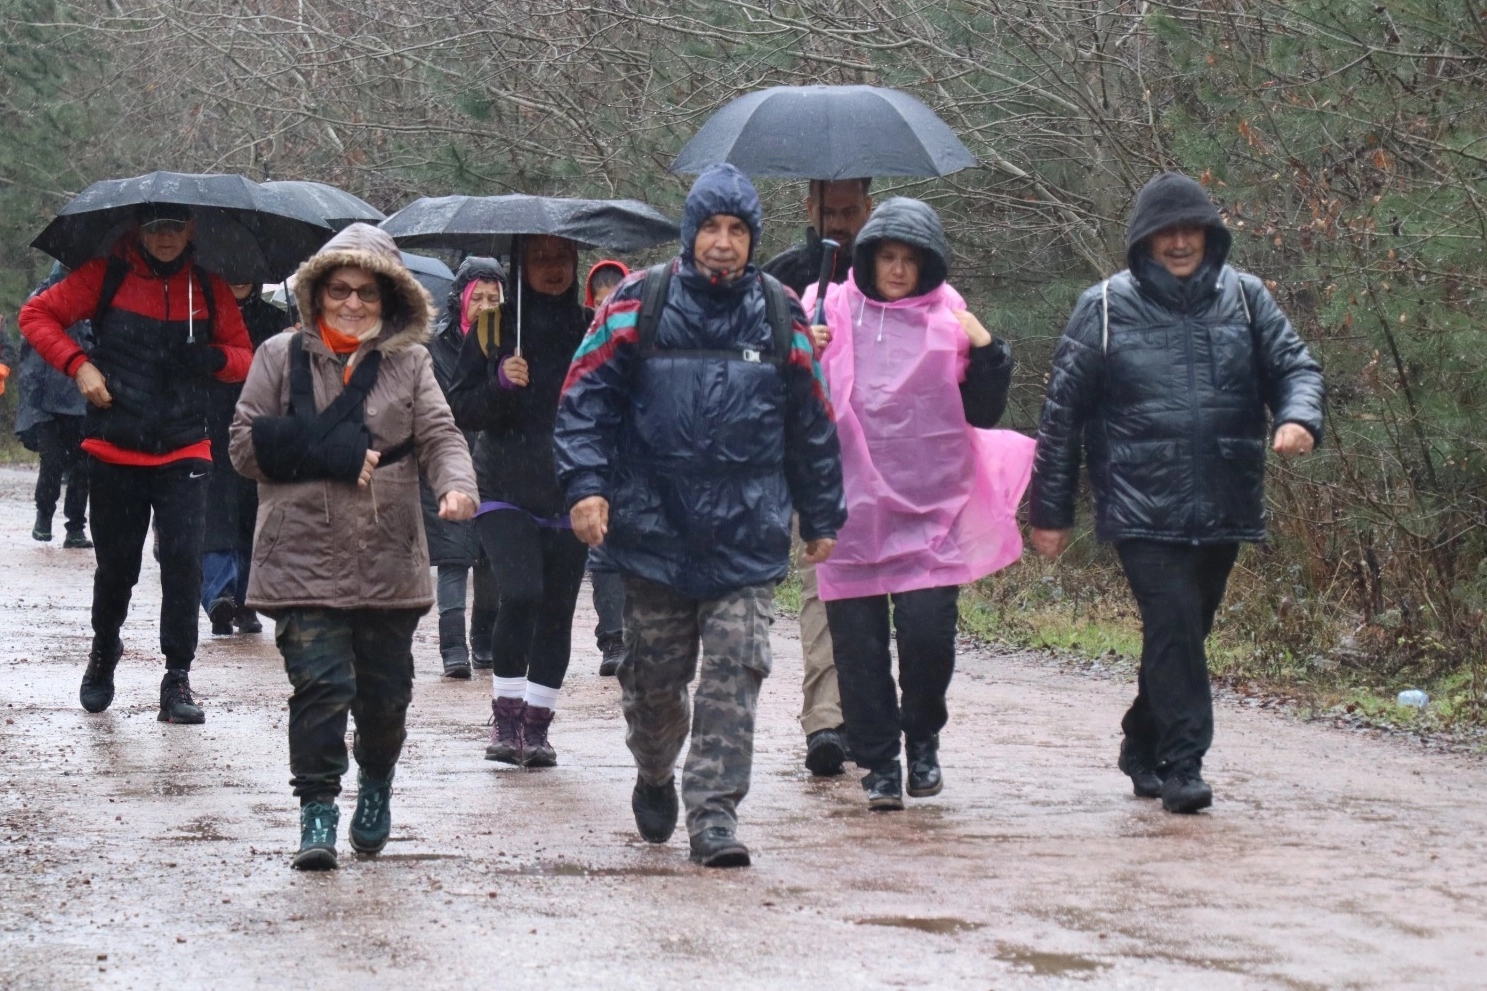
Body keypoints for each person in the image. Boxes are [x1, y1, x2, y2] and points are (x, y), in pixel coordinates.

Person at [554, 163, 845, 868]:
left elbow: (812, 420)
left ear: (752, 238)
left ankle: (713, 813)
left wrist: (821, 512)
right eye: (711, 228)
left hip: (745, 533)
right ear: (690, 233)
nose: (723, 242)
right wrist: (586, 487)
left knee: (735, 669)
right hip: (653, 532)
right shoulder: (636, 301)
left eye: (736, 230)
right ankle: (653, 768)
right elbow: (583, 400)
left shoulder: (780, 312)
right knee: (653, 685)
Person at [1029, 171, 1324, 814]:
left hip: (1225, 497)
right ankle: (1184, 763)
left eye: (1192, 230)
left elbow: (1295, 367)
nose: (1181, 242)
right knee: (1174, 625)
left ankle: (1142, 737)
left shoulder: (1246, 299)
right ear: (1145, 241)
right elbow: (1061, 417)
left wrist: (1299, 417)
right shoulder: (1103, 307)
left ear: (1209, 237)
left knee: (1186, 631)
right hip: (1140, 505)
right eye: (1168, 232)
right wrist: (1050, 512)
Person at [229, 223, 477, 870]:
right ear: (317, 293)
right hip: (298, 553)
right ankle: (316, 807)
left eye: (367, 293)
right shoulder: (278, 357)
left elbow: (441, 436)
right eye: (339, 290)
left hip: (387, 555)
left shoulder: (411, 363)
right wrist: (334, 453)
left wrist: (456, 486)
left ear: (389, 298)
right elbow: (243, 445)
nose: (352, 303)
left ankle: (375, 779)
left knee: (383, 697)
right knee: (320, 685)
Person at [805, 197, 1030, 811]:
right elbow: (787, 396)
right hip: (847, 510)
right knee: (858, 648)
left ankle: (923, 734)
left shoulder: (949, 314)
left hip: (932, 507)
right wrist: (806, 349)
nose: (898, 269)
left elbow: (982, 413)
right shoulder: (825, 307)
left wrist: (988, 353)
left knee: (929, 638)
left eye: (910, 259)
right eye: (887, 257)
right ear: (868, 258)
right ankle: (879, 762)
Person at [19, 203, 253, 724]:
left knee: (183, 563)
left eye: (174, 226)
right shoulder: (105, 276)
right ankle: (104, 650)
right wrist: (78, 366)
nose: (165, 237)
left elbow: (245, 355)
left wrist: (214, 360)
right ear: (137, 230)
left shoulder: (209, 288)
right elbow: (35, 315)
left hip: (185, 446)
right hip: (114, 445)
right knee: (118, 567)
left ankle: (177, 678)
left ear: (190, 229)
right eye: (154, 228)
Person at [448, 234, 592, 768]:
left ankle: (537, 725)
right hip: (503, 487)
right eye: (540, 259)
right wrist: (502, 385)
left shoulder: (588, 327)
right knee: (523, 592)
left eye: (562, 258)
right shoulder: (492, 327)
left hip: (569, 488)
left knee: (557, 612)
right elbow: (461, 406)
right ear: (521, 265)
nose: (553, 269)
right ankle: (505, 717)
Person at [764, 178, 875, 777]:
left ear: (869, 208)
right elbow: (750, 362)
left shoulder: (895, 268)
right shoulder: (780, 277)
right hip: (814, 451)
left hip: (884, 456)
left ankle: (871, 712)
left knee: (881, 589)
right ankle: (825, 720)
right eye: (828, 211)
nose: (838, 221)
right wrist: (798, 345)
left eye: (849, 211)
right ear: (807, 207)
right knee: (821, 585)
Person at [420, 257, 505, 679]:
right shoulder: (436, 349)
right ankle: (452, 646)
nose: (486, 305)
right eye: (479, 298)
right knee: (454, 557)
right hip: (449, 466)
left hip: (497, 465)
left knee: (491, 559)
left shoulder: (512, 344)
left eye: (495, 297)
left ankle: (484, 639)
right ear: (462, 301)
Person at [200, 282, 291, 635]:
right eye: (230, 271)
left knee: (253, 512)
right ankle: (218, 595)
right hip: (211, 423)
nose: (238, 279)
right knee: (217, 511)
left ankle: (247, 598)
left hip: (260, 427)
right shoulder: (201, 318)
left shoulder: (276, 320)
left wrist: (292, 343)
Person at [13, 266, 92, 549]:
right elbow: (29, 358)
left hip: (82, 398)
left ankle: (75, 527)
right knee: (52, 462)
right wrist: (32, 403)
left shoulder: (91, 300)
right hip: (47, 401)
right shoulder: (41, 298)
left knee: (83, 467)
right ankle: (44, 517)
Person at [583, 259, 631, 676]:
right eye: (600, 303)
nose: (607, 310)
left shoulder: (647, 340)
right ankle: (612, 639)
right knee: (604, 556)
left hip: (640, 466)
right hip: (599, 464)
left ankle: (640, 635)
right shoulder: (582, 346)